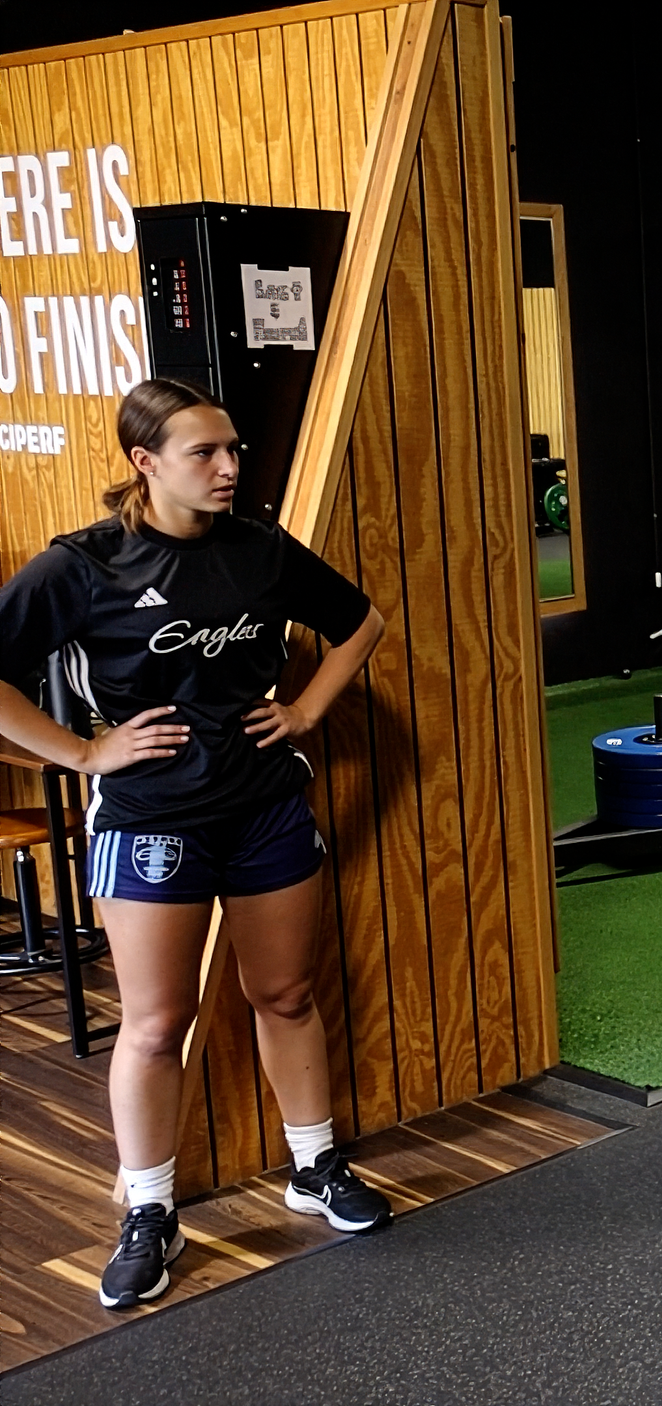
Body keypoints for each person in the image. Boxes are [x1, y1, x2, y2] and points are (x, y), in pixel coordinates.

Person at [0, 380, 392, 1310]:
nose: (228, 469)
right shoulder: (84, 565)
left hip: (263, 808)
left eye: (232, 452)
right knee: (154, 1023)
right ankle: (150, 1212)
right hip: (148, 819)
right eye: (203, 454)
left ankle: (313, 1165)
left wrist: (304, 710)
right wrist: (87, 752)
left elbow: (361, 623)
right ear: (145, 463)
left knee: (285, 993)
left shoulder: (257, 551)